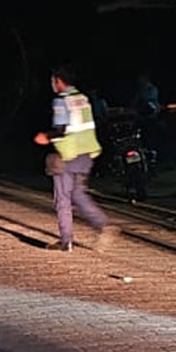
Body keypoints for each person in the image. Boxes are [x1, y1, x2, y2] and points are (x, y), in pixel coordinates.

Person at [33, 65, 117, 252]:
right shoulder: (83, 99)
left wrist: (45, 137)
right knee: (78, 193)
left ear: (59, 81)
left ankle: (66, 241)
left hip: (68, 154)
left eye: (53, 81)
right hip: (87, 153)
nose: (52, 85)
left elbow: (62, 130)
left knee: (62, 197)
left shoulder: (61, 101)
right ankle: (103, 224)